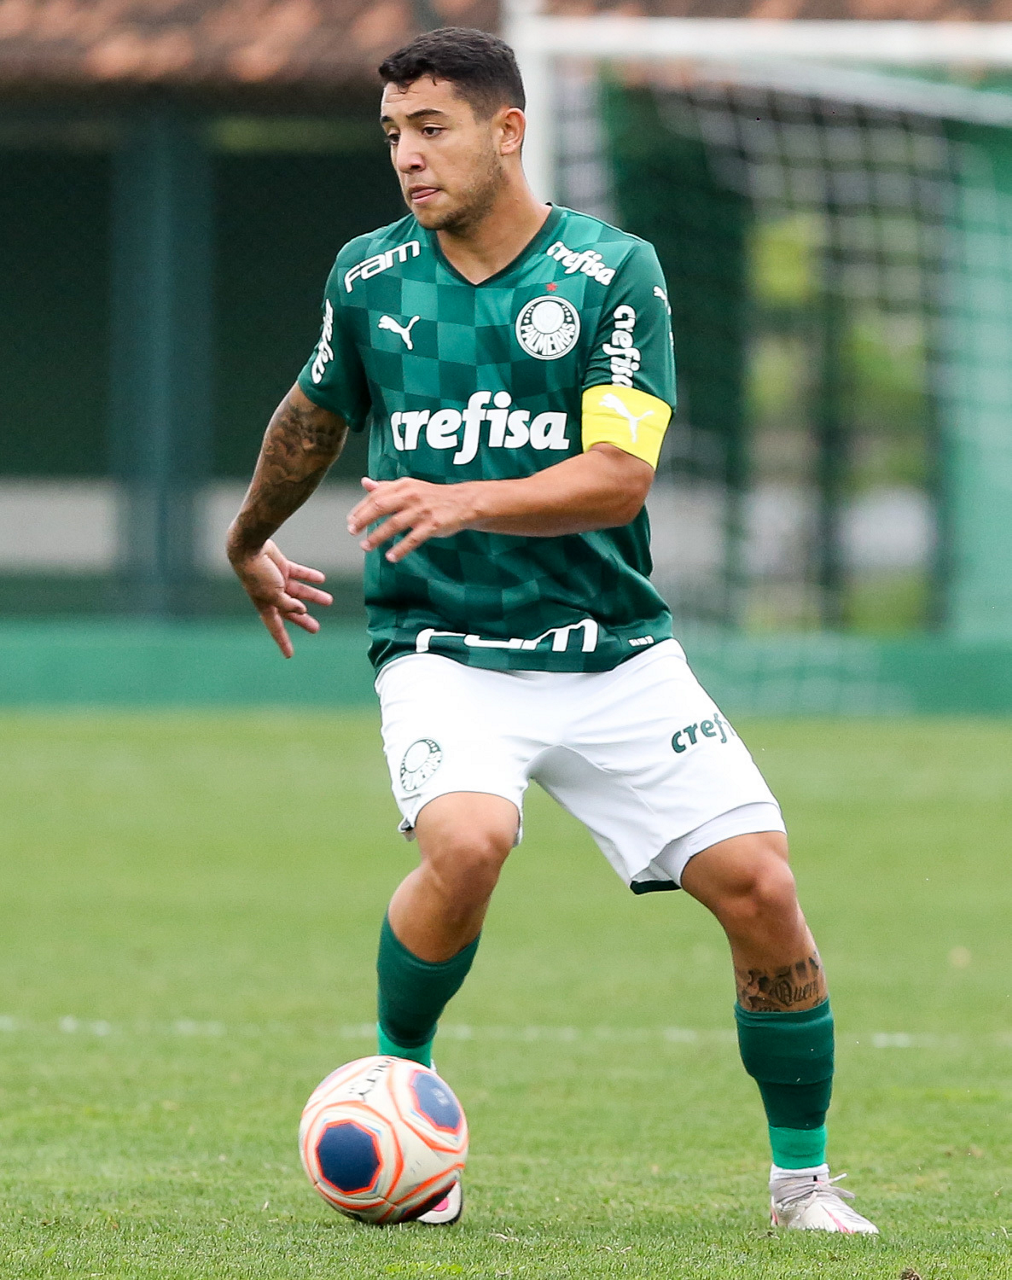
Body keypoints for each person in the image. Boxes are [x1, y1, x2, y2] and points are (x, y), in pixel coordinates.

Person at [226, 27, 877, 1234]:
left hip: (611, 648)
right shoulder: (370, 277)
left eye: (432, 129)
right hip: (444, 648)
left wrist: (464, 496)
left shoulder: (608, 272)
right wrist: (248, 538)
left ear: (508, 131)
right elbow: (312, 416)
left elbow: (619, 477)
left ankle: (802, 1183)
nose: (407, 157)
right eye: (392, 135)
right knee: (469, 840)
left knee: (761, 886)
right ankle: (402, 1090)